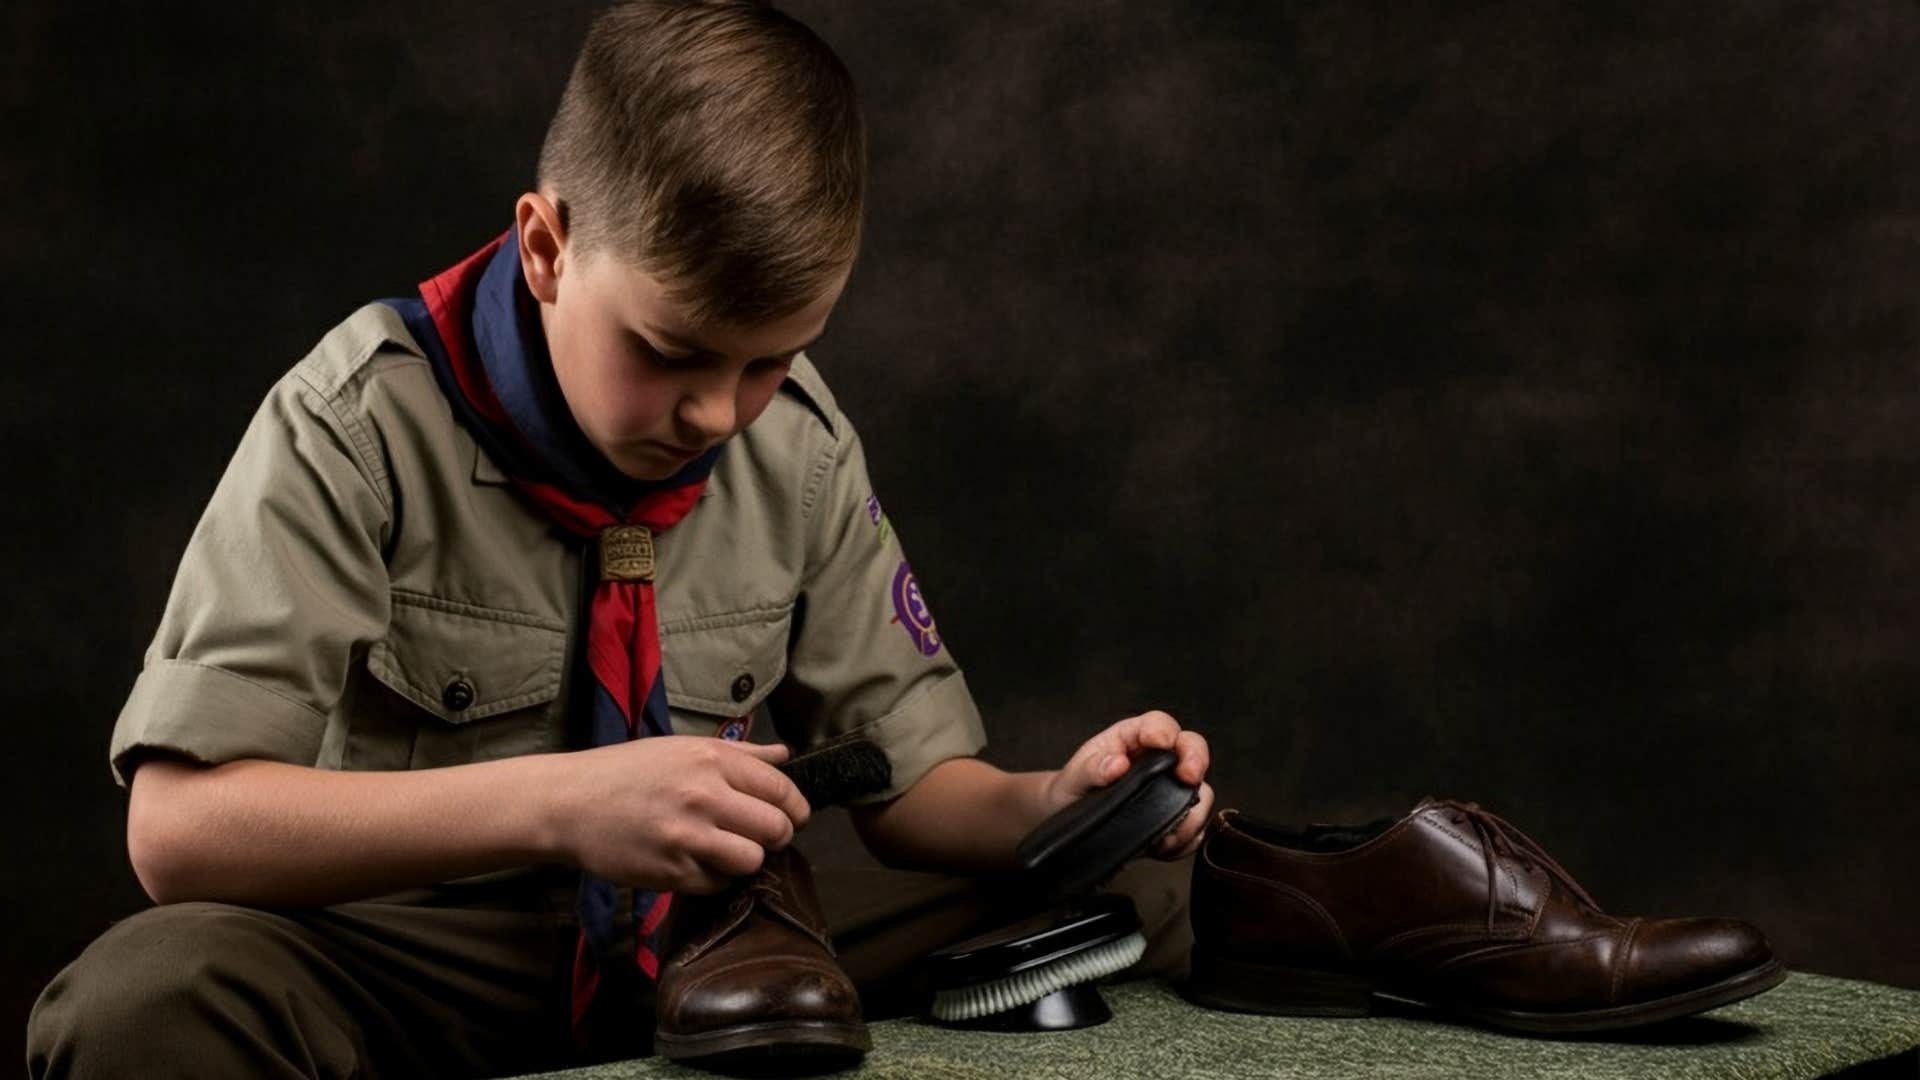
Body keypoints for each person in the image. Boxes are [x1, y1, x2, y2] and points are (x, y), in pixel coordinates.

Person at [26, 3, 1213, 1076]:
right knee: (142, 1002)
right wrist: (569, 806)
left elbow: (909, 794)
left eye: (768, 361)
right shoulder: (355, 425)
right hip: (417, 948)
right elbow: (179, 832)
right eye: (667, 352)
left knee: (1140, 889)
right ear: (546, 248)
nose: (714, 412)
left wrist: (1054, 801)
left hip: (723, 937)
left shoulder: (793, 443)